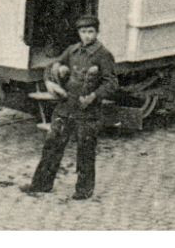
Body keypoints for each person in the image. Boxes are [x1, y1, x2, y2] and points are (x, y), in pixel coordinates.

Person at [21, 14, 118, 200]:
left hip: (87, 110)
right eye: (83, 32)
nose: (87, 36)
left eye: (91, 32)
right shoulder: (72, 51)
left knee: (85, 150)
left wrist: (94, 96)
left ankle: (83, 190)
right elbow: (53, 65)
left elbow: (112, 83)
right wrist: (56, 74)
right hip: (65, 107)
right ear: (78, 33)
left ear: (97, 32)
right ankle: (41, 184)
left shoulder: (103, 55)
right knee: (52, 146)